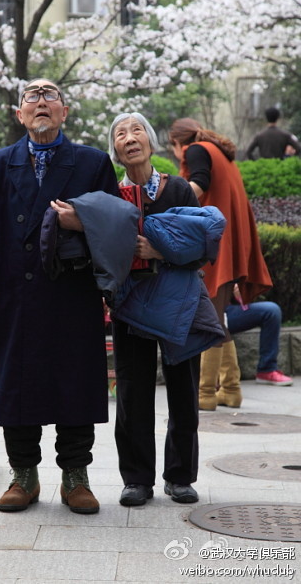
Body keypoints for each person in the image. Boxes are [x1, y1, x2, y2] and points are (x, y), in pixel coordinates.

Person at [0, 78, 119, 515]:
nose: (40, 102)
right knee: (17, 385)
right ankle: (24, 473)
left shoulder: (92, 163)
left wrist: (82, 222)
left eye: (50, 96)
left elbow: (116, 220)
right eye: (31, 97)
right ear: (19, 114)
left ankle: (75, 476)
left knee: (74, 382)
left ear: (65, 111)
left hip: (70, 293)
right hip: (14, 294)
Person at [108, 112, 203, 507]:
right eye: (120, 134)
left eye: (136, 130)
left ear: (150, 141)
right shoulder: (111, 196)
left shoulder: (178, 189)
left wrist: (159, 251)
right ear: (114, 150)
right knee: (132, 390)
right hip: (130, 303)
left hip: (178, 302)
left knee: (184, 389)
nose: (129, 138)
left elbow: (201, 247)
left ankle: (180, 476)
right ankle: (136, 479)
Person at [170, 118, 273, 411]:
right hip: (229, 241)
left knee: (212, 320)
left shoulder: (196, 149)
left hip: (217, 243)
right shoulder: (218, 151)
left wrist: (169, 203)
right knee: (219, 319)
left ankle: (204, 394)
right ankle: (231, 389)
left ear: (177, 144)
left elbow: (200, 183)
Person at [227, 285, 293, 386]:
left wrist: (241, 288)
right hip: (204, 312)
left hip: (228, 311)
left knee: (271, 311)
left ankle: (267, 369)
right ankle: (209, 377)